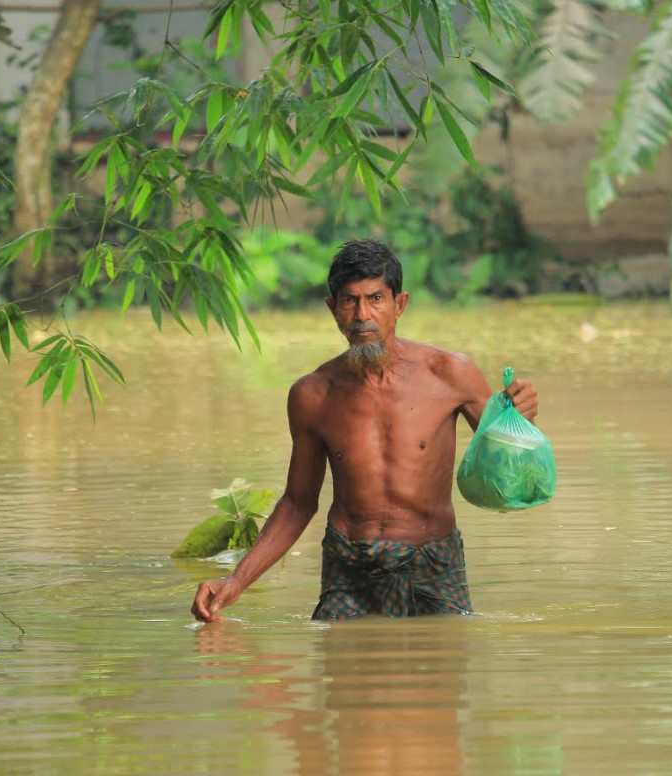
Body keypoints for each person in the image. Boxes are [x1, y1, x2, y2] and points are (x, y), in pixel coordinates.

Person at [191, 239, 539, 622]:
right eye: (349, 301)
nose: (362, 315)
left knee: (439, 672)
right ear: (332, 309)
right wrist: (236, 581)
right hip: (349, 567)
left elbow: (507, 471)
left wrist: (519, 420)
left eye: (375, 299)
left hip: (434, 564)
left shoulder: (450, 373)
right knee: (343, 675)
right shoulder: (312, 394)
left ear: (399, 305)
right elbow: (298, 502)